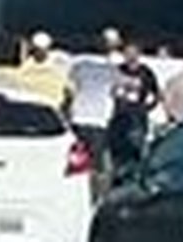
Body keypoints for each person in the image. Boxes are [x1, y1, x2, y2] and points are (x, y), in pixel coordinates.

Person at [68, 38, 124, 172]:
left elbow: (70, 88)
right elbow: (118, 92)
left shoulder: (79, 66)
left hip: (78, 117)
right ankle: (93, 184)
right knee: (96, 160)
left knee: (78, 155)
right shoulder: (111, 70)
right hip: (99, 119)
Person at [108, 42, 160, 168]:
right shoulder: (117, 70)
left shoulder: (146, 72)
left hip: (138, 117)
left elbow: (156, 93)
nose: (130, 57)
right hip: (119, 116)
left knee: (137, 151)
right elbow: (109, 90)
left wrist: (147, 108)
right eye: (127, 53)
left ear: (139, 54)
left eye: (133, 53)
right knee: (117, 152)